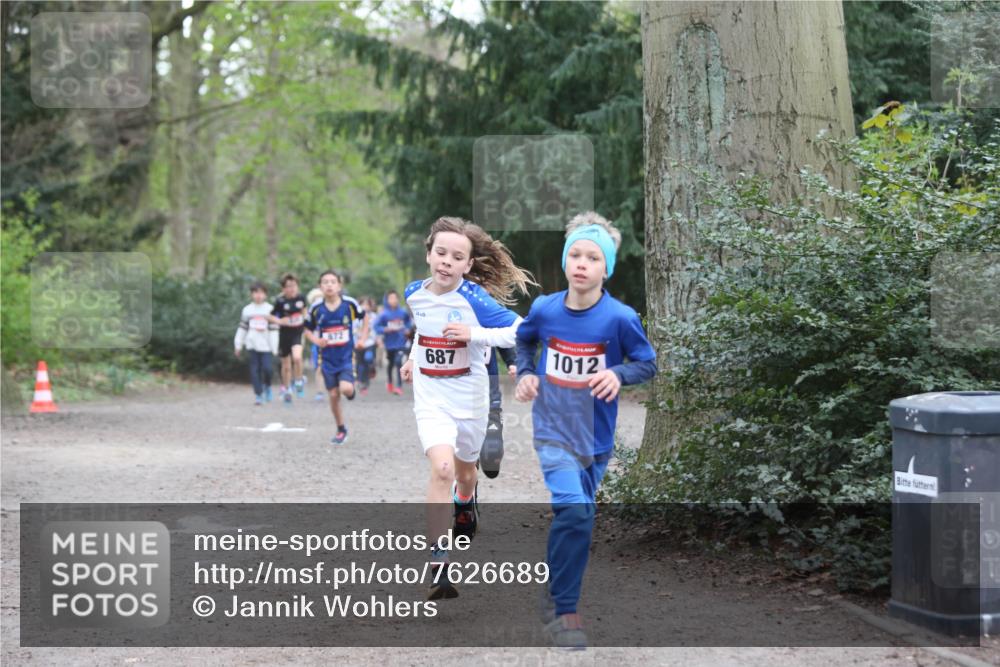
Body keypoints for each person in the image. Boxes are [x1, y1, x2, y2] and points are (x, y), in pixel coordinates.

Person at [514, 212, 657, 649]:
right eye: (574, 254)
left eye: (592, 257)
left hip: (597, 437)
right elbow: (524, 340)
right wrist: (524, 373)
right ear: (565, 261)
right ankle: (565, 613)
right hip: (554, 430)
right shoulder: (544, 309)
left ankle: (554, 591)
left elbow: (646, 362)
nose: (581, 262)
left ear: (606, 269)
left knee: (579, 518)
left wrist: (618, 374)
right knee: (575, 511)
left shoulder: (620, 318)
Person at [399, 216, 536, 600]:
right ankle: (438, 564)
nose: (446, 261)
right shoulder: (414, 293)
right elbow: (422, 329)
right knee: (441, 468)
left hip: (470, 397)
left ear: (467, 265)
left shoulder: (474, 299)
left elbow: (520, 330)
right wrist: (413, 357)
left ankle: (466, 500)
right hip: (431, 396)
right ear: (428, 254)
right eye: (440, 252)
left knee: (466, 474)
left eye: (456, 256)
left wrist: (472, 334)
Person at [303, 270, 361, 445]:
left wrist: (363, 338)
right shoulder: (316, 309)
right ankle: (341, 428)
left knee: (346, 389)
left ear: (339, 285)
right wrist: (315, 339)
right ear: (320, 287)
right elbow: (306, 329)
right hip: (327, 359)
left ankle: (351, 391)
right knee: (334, 394)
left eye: (333, 282)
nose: (329, 285)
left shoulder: (349, 304)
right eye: (325, 282)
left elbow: (364, 318)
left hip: (345, 357)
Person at [233, 281, 280, 405]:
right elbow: (242, 328)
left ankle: (268, 386)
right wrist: (238, 344)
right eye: (255, 292)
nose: (258, 295)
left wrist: (274, 347)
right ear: (252, 294)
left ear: (265, 294)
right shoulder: (247, 310)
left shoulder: (270, 310)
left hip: (267, 347)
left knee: (267, 369)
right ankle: (258, 394)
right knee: (255, 371)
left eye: (261, 293)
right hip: (252, 345)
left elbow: (274, 330)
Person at [479, 346, 517, 478]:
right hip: (454, 398)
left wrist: (512, 361)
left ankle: (464, 494)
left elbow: (501, 333)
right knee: (459, 461)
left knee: (492, 454)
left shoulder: (488, 324)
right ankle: (464, 496)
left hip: (489, 395)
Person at [271, 273, 309, 403]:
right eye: (287, 286)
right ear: (283, 289)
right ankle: (286, 388)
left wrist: (306, 320)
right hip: (284, 334)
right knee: (286, 365)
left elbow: (305, 311)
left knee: (297, 357)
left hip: (297, 333)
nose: (291, 289)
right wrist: (280, 321)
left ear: (297, 286)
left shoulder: (301, 298)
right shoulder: (280, 301)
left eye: (293, 286)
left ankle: (298, 380)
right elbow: (270, 316)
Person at [374, 290, 413, 396]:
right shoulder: (384, 314)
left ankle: (399, 386)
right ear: (387, 300)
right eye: (391, 298)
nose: (393, 300)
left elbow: (409, 322)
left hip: (401, 342)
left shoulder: (403, 312)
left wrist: (408, 329)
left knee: (398, 362)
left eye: (395, 298)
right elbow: (376, 327)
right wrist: (385, 329)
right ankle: (390, 382)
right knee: (391, 363)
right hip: (390, 343)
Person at [353, 296, 376, 395]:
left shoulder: (374, 316)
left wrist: (377, 339)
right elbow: (352, 329)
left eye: (367, 304)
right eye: (363, 304)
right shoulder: (355, 317)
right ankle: (363, 383)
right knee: (360, 364)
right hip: (358, 343)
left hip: (370, 342)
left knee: (368, 359)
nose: (365, 306)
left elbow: (376, 329)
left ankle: (372, 368)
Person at [306, 287, 325, 401]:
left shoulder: (332, 312)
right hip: (317, 345)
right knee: (319, 369)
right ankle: (320, 392)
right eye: (315, 299)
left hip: (333, 345)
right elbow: (307, 331)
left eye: (320, 299)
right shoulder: (310, 316)